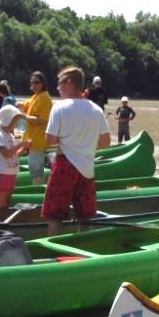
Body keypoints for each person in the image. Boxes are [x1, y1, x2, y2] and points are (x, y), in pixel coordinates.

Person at [42, 66, 111, 234]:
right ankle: (82, 251)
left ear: (69, 83)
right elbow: (105, 142)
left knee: (55, 215)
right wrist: (84, 145)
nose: (57, 88)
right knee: (86, 215)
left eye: (59, 84)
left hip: (64, 165)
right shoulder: (96, 109)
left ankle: (53, 253)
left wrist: (68, 142)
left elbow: (49, 140)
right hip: (87, 168)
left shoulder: (59, 107)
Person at [0, 105, 32, 209]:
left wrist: (24, 148)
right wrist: (20, 145)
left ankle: (3, 221)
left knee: (7, 201)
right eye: (15, 121)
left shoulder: (9, 135)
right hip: (2, 172)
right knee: (1, 203)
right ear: (8, 120)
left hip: (11, 172)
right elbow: (6, 154)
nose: (16, 124)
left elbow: (14, 155)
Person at [23, 71, 53, 184]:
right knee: (34, 169)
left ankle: (40, 196)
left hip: (37, 141)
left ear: (43, 83)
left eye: (37, 82)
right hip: (31, 141)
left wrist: (24, 117)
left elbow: (42, 120)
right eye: (32, 82)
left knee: (36, 171)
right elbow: (26, 105)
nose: (34, 85)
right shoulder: (36, 96)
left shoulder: (44, 98)